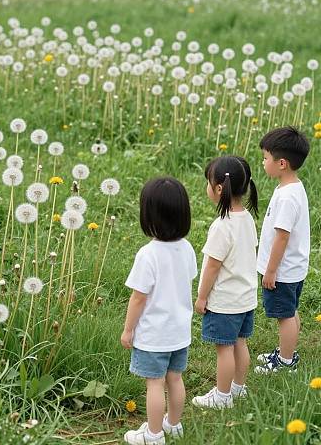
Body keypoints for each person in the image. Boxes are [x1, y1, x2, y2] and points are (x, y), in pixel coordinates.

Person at [121, 176, 196, 444]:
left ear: (148, 217)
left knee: (155, 383)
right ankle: (173, 425)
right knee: (175, 378)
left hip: (154, 335)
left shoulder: (148, 255)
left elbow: (138, 298)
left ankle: (153, 436)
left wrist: (129, 329)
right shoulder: (187, 248)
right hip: (179, 332)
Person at [193, 155, 259, 409]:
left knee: (224, 350)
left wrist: (201, 296)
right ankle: (237, 388)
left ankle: (222, 397)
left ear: (219, 188)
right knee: (240, 343)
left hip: (224, 301)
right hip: (245, 298)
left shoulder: (222, 226)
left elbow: (212, 266)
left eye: (209, 183)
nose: (207, 188)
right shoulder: (247, 219)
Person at [255, 126, 310, 373]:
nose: (263, 162)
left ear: (282, 163)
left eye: (266, 158)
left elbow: (282, 237)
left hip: (282, 271)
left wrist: (270, 270)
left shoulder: (287, 197)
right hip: (293, 268)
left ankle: (286, 362)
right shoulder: (292, 188)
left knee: (285, 315)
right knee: (291, 310)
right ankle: (288, 352)